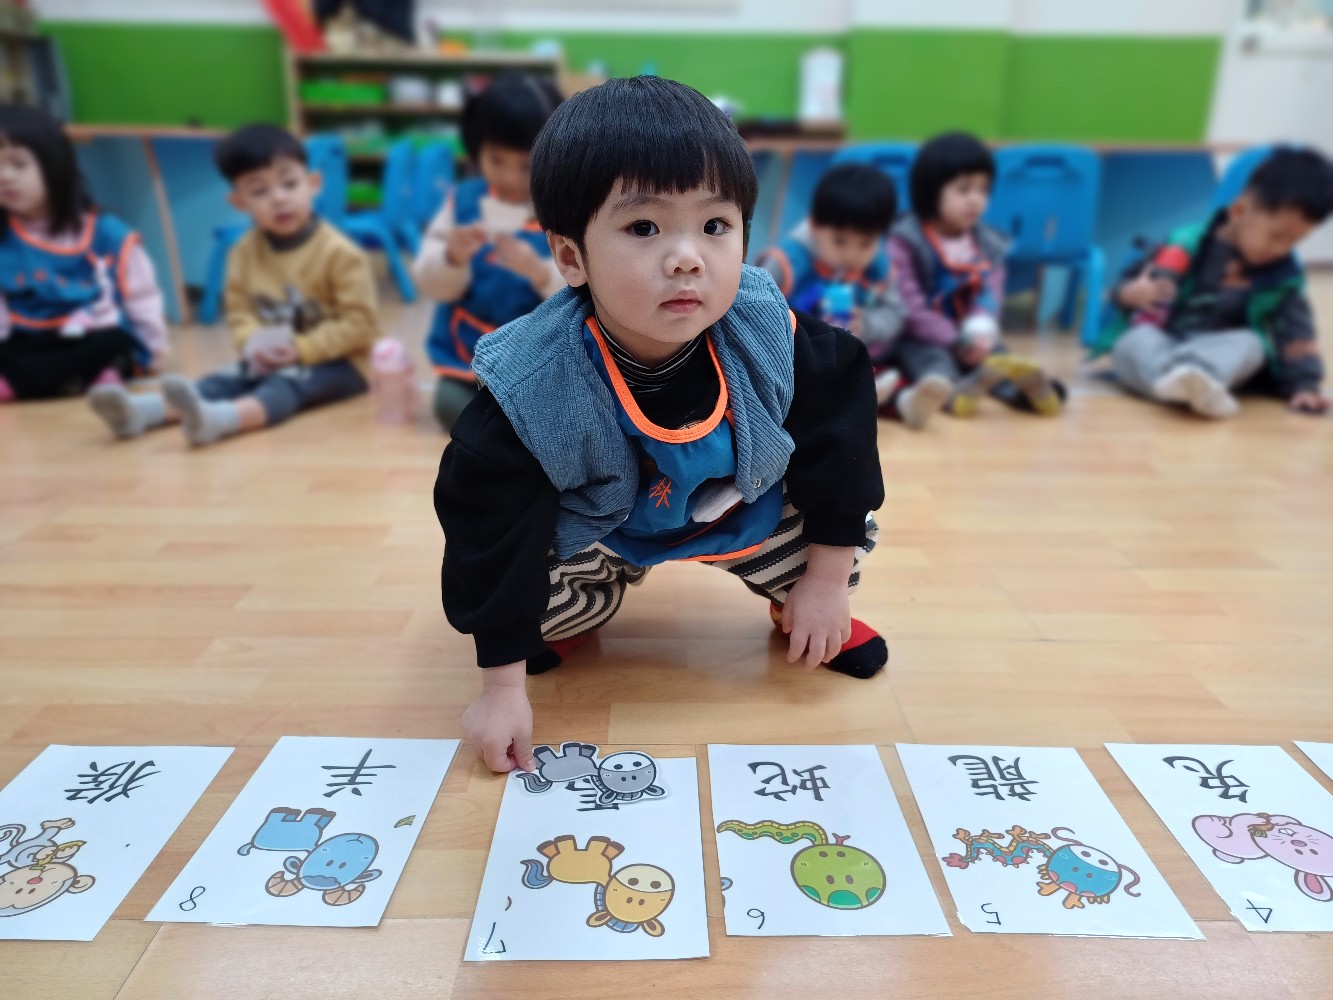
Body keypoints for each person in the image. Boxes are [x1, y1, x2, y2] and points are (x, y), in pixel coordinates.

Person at [434, 77, 888, 772]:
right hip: (603, 531)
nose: (687, 257)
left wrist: (824, 585)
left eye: (715, 226)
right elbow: (487, 522)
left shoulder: (770, 331)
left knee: (840, 541)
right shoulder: (535, 382)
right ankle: (571, 616)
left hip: (740, 505)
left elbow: (842, 445)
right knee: (532, 614)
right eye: (643, 228)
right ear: (571, 257)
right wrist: (500, 686)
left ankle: (797, 603)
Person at [88, 123, 378, 445]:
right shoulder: (242, 252)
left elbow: (361, 324)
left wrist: (301, 349)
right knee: (225, 378)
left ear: (313, 184)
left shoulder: (340, 252)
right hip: (275, 358)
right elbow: (240, 312)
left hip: (344, 363)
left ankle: (222, 419)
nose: (279, 198)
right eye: (259, 191)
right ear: (239, 202)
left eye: (290, 183)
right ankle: (143, 411)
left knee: (285, 384)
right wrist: (253, 345)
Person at [1096, 146, 1332, 418]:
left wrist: (1304, 385)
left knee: (1250, 344)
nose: (1281, 248)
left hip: (1216, 357)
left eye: (1294, 241)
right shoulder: (1184, 242)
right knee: (1132, 341)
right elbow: (1121, 290)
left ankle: (1191, 381)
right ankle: (1180, 385)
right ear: (1239, 210)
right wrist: (1129, 294)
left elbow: (1297, 333)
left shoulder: (1282, 276)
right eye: (1275, 236)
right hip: (1162, 343)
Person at [413, 72, 564, 431]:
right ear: (476, 149)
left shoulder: (563, 211)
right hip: (469, 353)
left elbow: (587, 295)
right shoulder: (463, 202)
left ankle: (513, 429)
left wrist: (541, 272)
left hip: (540, 359)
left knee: (563, 405)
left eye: (526, 166)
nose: (509, 178)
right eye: (496, 160)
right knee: (449, 403)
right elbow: (431, 283)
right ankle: (504, 432)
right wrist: (451, 259)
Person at [887, 131, 1063, 428]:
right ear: (930, 190)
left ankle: (1026, 392)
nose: (975, 200)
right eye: (963, 189)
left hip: (970, 336)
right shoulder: (905, 239)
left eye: (983, 190)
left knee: (998, 357)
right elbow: (909, 304)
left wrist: (980, 333)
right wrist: (954, 340)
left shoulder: (988, 243)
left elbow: (990, 295)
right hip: (921, 336)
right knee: (932, 362)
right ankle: (953, 393)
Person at [0, 104, 168, 402]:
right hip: (33, 344)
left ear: (55, 166)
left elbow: (141, 295)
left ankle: (92, 376)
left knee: (114, 343)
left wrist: (154, 348)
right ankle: (65, 378)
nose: (5, 177)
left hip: (93, 339)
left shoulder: (107, 233)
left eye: (19, 164)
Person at [757, 162, 904, 402]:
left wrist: (865, 324)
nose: (851, 255)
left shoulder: (878, 269)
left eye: (865, 244)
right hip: (789, 359)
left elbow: (894, 313)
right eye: (839, 241)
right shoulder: (787, 263)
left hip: (847, 357)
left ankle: (886, 395)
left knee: (890, 361)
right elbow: (755, 312)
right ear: (815, 226)